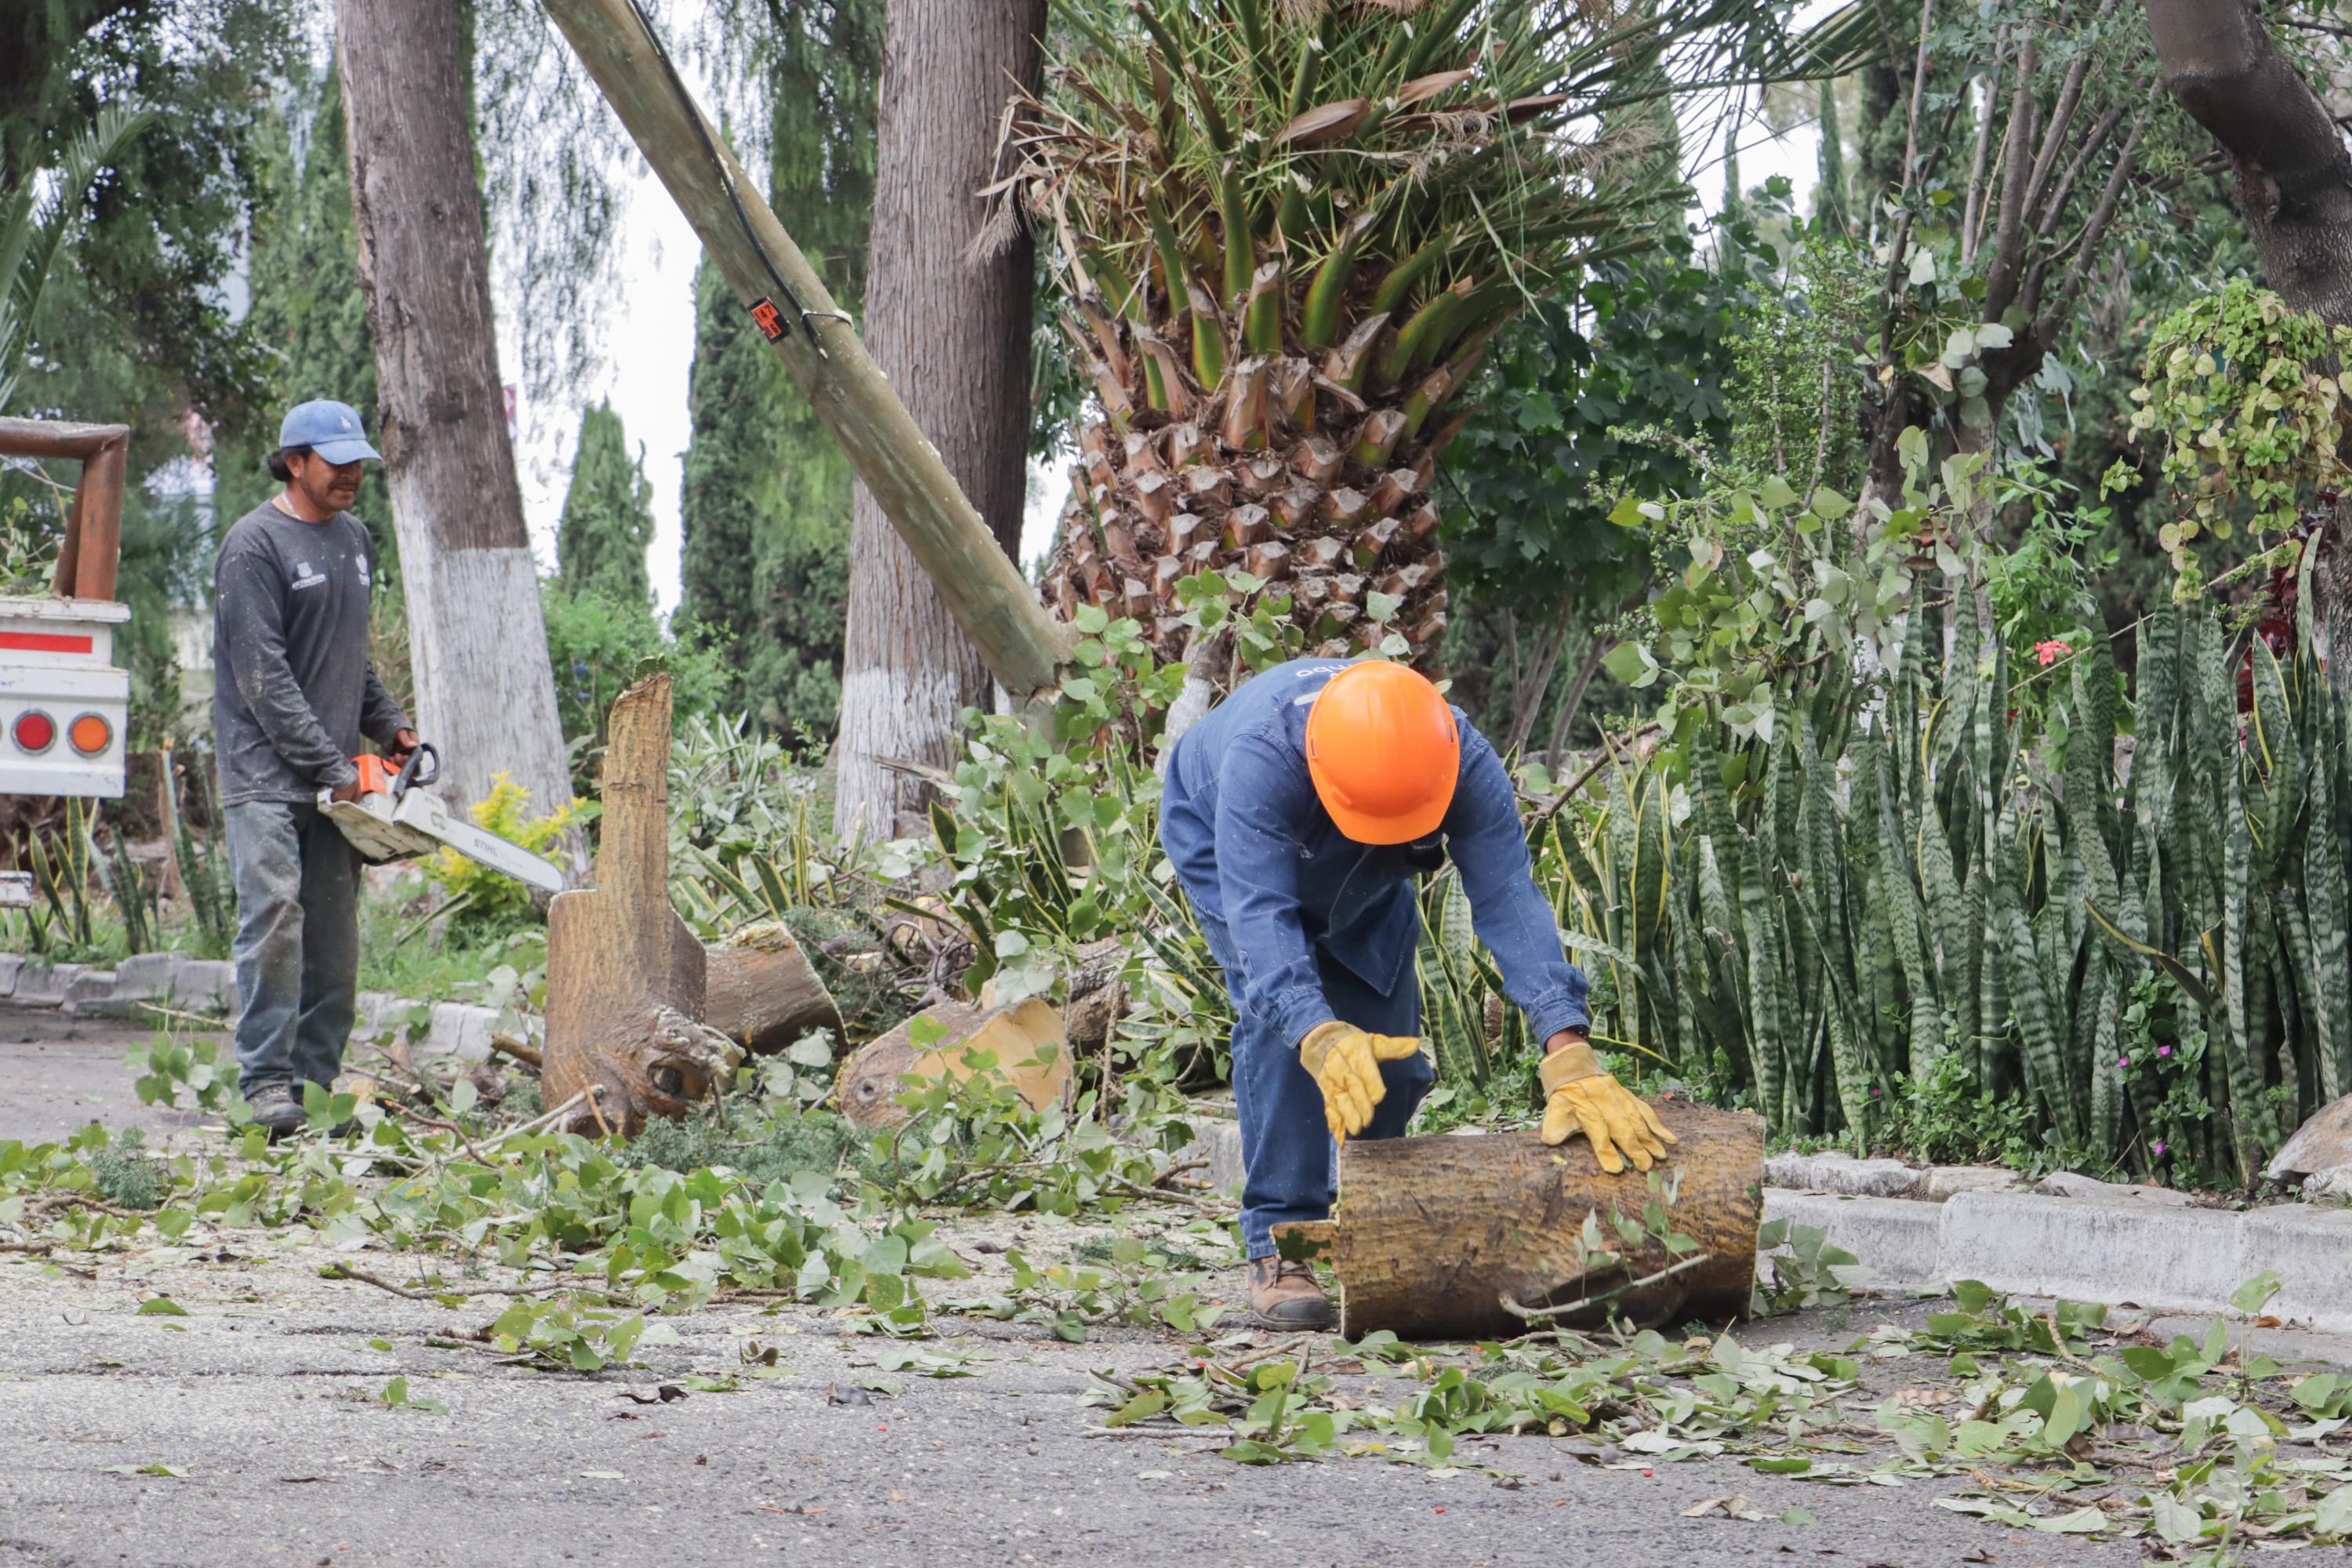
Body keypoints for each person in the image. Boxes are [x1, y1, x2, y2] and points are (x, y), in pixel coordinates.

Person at [1160, 656, 1675, 1327]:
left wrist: (1566, 1044)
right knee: (1283, 1030)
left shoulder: (1458, 755)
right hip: (1220, 835)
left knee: (1389, 1067)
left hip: (1368, 872)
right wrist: (1315, 1029)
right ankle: (1281, 1244)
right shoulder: (1262, 761)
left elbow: (1507, 896)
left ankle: (1372, 1229)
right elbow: (1262, 922)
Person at [212, 399, 416, 1137]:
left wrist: (389, 726)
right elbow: (264, 677)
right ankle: (268, 1083)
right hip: (265, 774)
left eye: (358, 461)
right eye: (336, 462)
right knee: (274, 922)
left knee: (333, 942)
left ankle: (316, 1091)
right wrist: (334, 766)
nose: (352, 475)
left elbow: (348, 658)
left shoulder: (355, 539)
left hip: (331, 781)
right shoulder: (253, 546)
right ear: (294, 461)